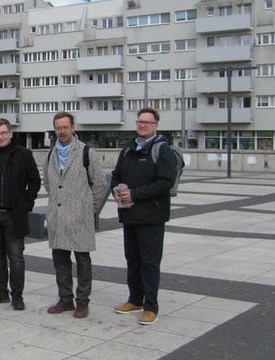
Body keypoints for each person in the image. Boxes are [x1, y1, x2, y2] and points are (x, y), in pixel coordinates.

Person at [111, 107, 178, 325]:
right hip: (129, 214)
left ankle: (151, 307)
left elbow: (165, 182)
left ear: (156, 125)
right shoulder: (128, 149)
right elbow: (116, 174)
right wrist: (116, 190)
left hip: (152, 216)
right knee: (133, 260)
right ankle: (135, 299)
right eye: (140, 121)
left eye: (147, 122)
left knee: (149, 263)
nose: (142, 125)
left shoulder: (162, 150)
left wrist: (135, 194)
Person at [42, 112, 108, 318]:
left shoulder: (87, 152)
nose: (62, 131)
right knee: (60, 261)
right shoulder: (51, 153)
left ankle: (82, 302)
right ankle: (65, 299)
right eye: (58, 128)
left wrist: (89, 208)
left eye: (65, 127)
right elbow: (48, 182)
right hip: (58, 217)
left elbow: (99, 184)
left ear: (72, 128)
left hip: (80, 216)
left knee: (82, 261)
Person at [0, 118, 41, 311]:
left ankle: (17, 295)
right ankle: (1, 292)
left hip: (14, 216)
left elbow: (34, 181)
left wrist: (26, 204)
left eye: (3, 132)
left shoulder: (24, 155)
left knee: (16, 257)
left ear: (11, 133)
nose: (0, 136)